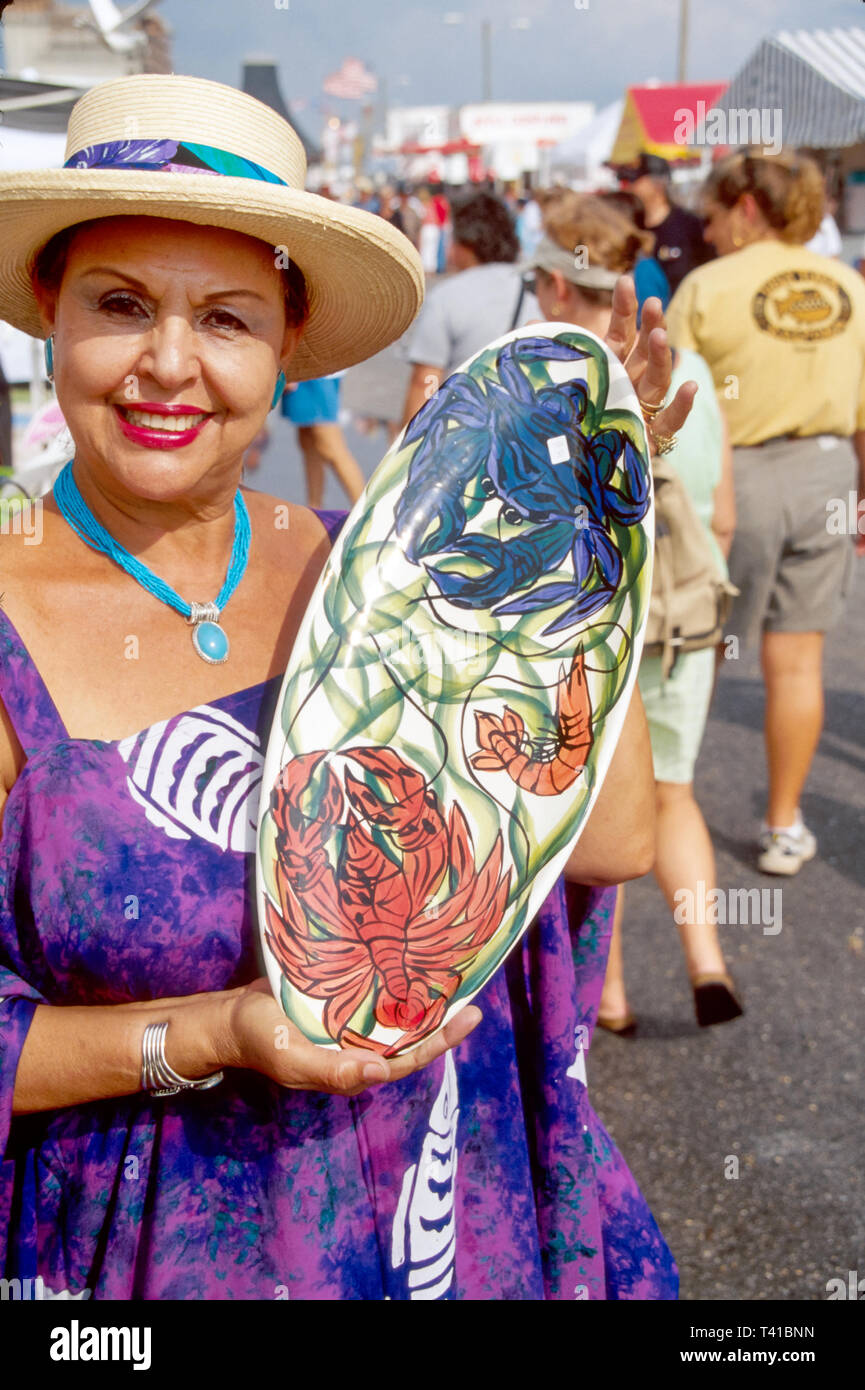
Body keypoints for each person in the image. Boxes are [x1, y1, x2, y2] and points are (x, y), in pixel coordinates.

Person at [0, 72, 695, 1301]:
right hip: (153, 1257)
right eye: (121, 305)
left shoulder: (374, 565)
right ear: (49, 308)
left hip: (443, 1221)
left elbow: (610, 841)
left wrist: (580, 562)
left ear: (287, 342)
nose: (170, 366)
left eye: (224, 319)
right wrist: (215, 1035)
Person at [526, 195, 742, 1029]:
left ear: (553, 282)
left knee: (593, 807)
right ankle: (706, 961)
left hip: (583, 631)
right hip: (683, 619)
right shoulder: (682, 369)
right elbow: (720, 514)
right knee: (675, 795)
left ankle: (607, 995)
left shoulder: (540, 374)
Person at [667, 148, 865, 875]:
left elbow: (676, 400)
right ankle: (782, 825)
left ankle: (670, 804)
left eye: (715, 216)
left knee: (697, 649)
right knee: (795, 662)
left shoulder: (707, 286)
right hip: (827, 471)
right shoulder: (849, 285)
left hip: (733, 479)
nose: (710, 231)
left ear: (745, 208)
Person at [402, 190, 539, 426]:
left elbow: (424, 384)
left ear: (466, 242)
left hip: (468, 442)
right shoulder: (537, 291)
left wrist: (407, 453)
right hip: (530, 437)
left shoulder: (446, 298)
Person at [618, 153, 714, 297]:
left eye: (634, 180)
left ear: (658, 183)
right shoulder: (627, 229)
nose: (628, 187)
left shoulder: (692, 227)